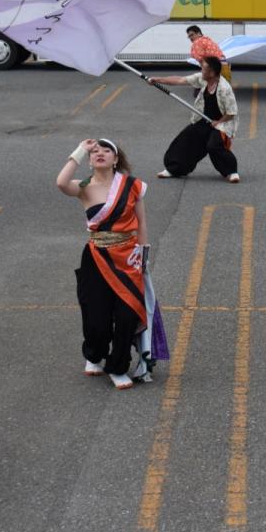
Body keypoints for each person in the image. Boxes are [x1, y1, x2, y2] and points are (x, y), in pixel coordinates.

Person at [56, 138, 167, 389]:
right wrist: (80, 151)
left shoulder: (132, 186)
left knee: (128, 314)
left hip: (128, 257)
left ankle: (118, 367)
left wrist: (143, 255)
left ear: (116, 159)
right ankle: (94, 355)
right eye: (95, 151)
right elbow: (61, 182)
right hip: (96, 257)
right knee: (97, 317)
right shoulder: (83, 186)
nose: (100, 153)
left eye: (107, 150)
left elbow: (141, 223)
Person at [148, 56, 240, 183]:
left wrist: (218, 122)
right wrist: (157, 80)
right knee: (186, 138)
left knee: (213, 145)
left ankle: (231, 172)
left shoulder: (225, 89)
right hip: (205, 120)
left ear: (212, 73)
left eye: (204, 68)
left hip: (223, 122)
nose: (201, 70)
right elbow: (180, 80)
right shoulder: (203, 79)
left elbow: (231, 112)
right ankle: (175, 169)